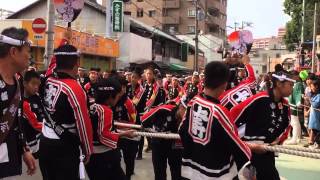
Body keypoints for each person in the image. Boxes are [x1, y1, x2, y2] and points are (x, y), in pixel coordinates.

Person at [179, 61, 252, 180]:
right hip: (214, 174)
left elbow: (182, 130)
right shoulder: (220, 112)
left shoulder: (193, 102)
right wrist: (251, 150)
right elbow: (239, 149)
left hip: (189, 171)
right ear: (224, 84)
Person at [39, 44, 93, 180]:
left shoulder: (48, 79)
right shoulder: (74, 88)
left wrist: (64, 40)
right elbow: (83, 123)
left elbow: (52, 64)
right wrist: (87, 150)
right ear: (77, 63)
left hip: (45, 142)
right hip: (64, 148)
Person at [230, 71, 294, 180]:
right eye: (290, 85)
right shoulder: (259, 99)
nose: (292, 88)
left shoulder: (285, 105)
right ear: (279, 84)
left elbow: (287, 126)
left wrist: (278, 140)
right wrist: (237, 140)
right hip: (250, 151)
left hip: (268, 151)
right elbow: (233, 114)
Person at [0, 27, 36, 179]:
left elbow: (17, 119)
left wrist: (24, 149)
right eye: (27, 51)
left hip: (10, 160)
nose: (30, 56)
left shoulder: (18, 80)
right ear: (14, 52)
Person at [86, 78, 135, 180]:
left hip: (92, 156)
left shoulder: (92, 106)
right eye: (117, 96)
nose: (117, 99)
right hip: (104, 157)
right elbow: (103, 135)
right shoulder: (105, 110)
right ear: (109, 97)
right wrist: (124, 134)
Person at [141, 101, 185, 180]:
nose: (188, 115)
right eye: (186, 111)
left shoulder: (189, 118)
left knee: (177, 174)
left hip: (176, 144)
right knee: (159, 173)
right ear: (181, 107)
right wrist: (156, 129)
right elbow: (143, 121)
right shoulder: (164, 109)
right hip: (158, 142)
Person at [112, 76, 139, 180]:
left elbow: (133, 120)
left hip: (128, 133)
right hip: (115, 134)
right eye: (121, 87)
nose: (123, 89)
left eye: (124, 87)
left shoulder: (128, 103)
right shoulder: (111, 99)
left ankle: (128, 175)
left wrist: (126, 128)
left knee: (129, 158)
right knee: (115, 158)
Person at [22, 70, 44, 158]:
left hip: (42, 135)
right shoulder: (24, 104)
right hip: (34, 144)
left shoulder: (37, 96)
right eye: (33, 84)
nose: (36, 87)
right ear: (25, 84)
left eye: (38, 84)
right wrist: (52, 129)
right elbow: (35, 125)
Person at [286, 71, 304, 145]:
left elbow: (299, 93)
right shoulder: (296, 83)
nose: (291, 77)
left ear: (297, 76)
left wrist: (298, 101)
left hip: (295, 105)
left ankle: (294, 139)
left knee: (294, 123)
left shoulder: (298, 84)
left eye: (292, 76)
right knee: (296, 122)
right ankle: (298, 137)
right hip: (293, 104)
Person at [306, 77, 320, 148]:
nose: (311, 88)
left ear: (316, 86)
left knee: (317, 131)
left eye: (312, 87)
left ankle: (317, 144)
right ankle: (314, 143)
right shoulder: (314, 94)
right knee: (314, 130)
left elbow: (315, 104)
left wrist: (309, 99)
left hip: (317, 118)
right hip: (314, 117)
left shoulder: (319, 95)